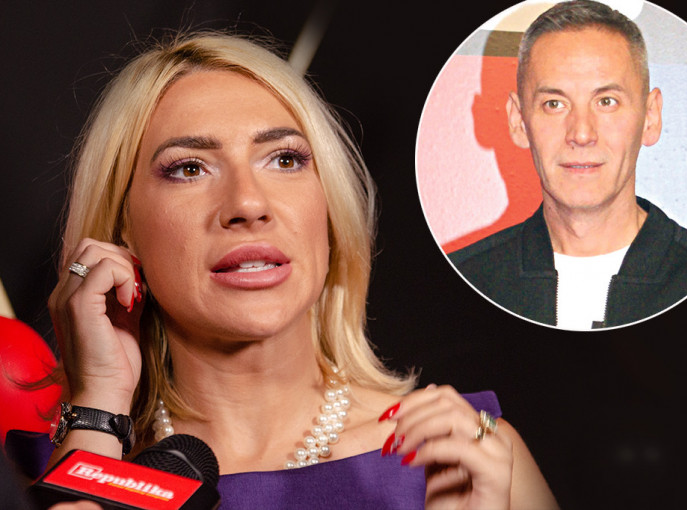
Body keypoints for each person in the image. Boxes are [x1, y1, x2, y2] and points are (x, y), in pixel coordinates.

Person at [5, 31, 557, 509]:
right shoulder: (43, 473)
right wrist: (98, 406)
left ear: (327, 204)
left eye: (285, 159)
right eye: (190, 168)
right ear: (123, 227)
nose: (248, 203)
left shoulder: (472, 458)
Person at [449, 0, 687, 330]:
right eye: (554, 104)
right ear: (519, 121)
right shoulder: (456, 288)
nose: (581, 134)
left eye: (606, 102)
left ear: (650, 117)